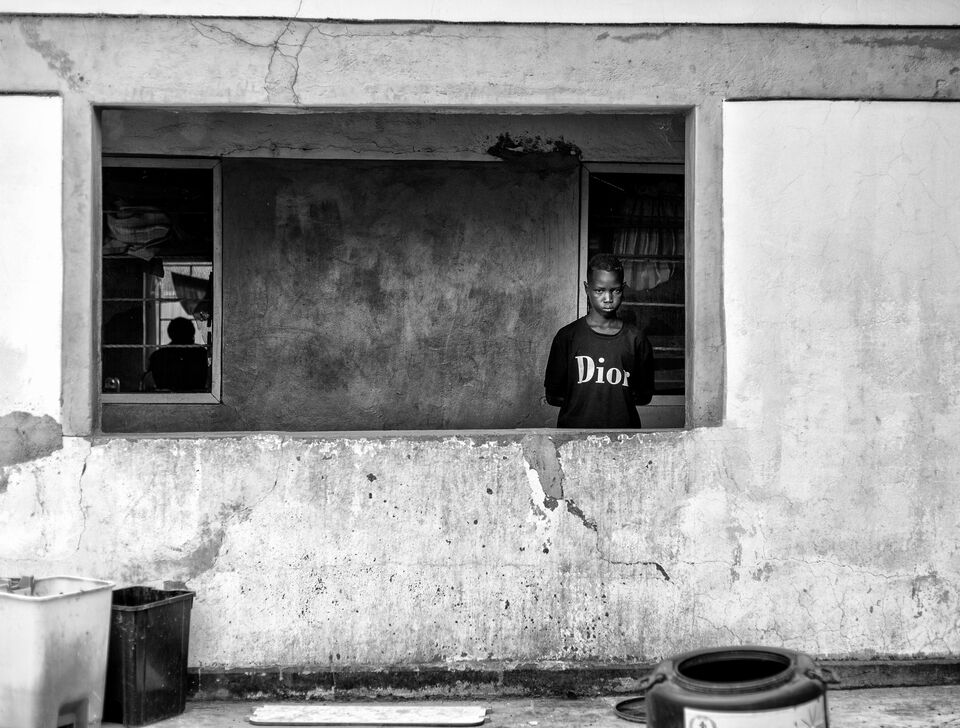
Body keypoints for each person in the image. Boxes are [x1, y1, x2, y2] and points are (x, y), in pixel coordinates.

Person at [543, 253, 655, 428]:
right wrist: (584, 404)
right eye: (599, 290)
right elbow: (553, 395)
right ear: (587, 288)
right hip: (574, 437)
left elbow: (643, 396)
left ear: (623, 288)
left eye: (615, 290)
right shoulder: (567, 336)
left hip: (623, 436)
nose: (608, 298)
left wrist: (615, 401)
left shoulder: (635, 339)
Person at [144, 317, 209, 392]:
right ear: (192, 333)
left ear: (170, 333)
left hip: (166, 397)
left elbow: (150, 381)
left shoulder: (158, 355)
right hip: (198, 397)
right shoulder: (201, 353)